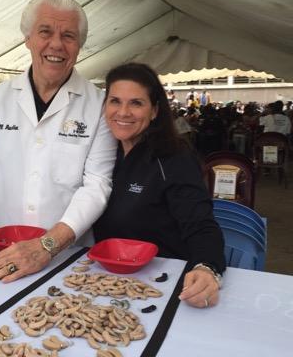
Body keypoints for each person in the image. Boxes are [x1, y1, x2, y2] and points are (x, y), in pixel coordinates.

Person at [0, 0, 117, 283]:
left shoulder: (98, 105)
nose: (56, 44)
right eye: (45, 32)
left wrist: (48, 245)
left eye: (68, 35)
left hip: (68, 260)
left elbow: (97, 186)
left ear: (79, 46)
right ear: (27, 39)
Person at [93, 63, 226, 309]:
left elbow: (201, 225)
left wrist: (207, 268)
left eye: (136, 103)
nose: (123, 112)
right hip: (106, 283)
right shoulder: (101, 152)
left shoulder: (173, 157)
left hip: (160, 284)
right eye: (115, 101)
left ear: (154, 110)